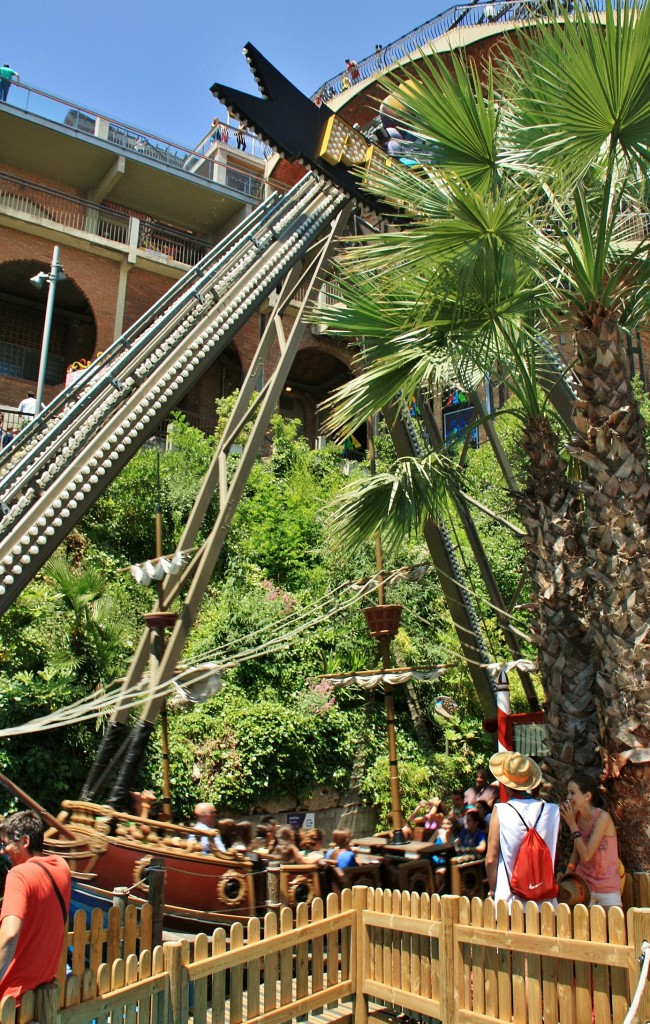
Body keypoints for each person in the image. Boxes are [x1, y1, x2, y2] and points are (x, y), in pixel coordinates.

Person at [0, 810, 71, 1003]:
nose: (2, 851)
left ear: (24, 841)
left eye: (6, 844)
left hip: (11, 999)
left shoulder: (18, 875)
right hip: (41, 993)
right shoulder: (62, 868)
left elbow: (9, 935)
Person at [485, 751, 560, 909]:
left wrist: (493, 890)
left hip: (510, 902)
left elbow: (491, 859)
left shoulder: (501, 810)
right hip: (546, 904)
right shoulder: (552, 810)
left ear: (505, 783)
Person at [559, 775, 622, 909]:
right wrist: (567, 876)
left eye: (572, 793)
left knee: (613, 922)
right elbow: (576, 852)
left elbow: (586, 855)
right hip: (583, 887)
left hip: (607, 887)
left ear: (587, 796)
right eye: (568, 793)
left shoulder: (603, 817)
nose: (568, 797)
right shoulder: (577, 817)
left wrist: (572, 825)